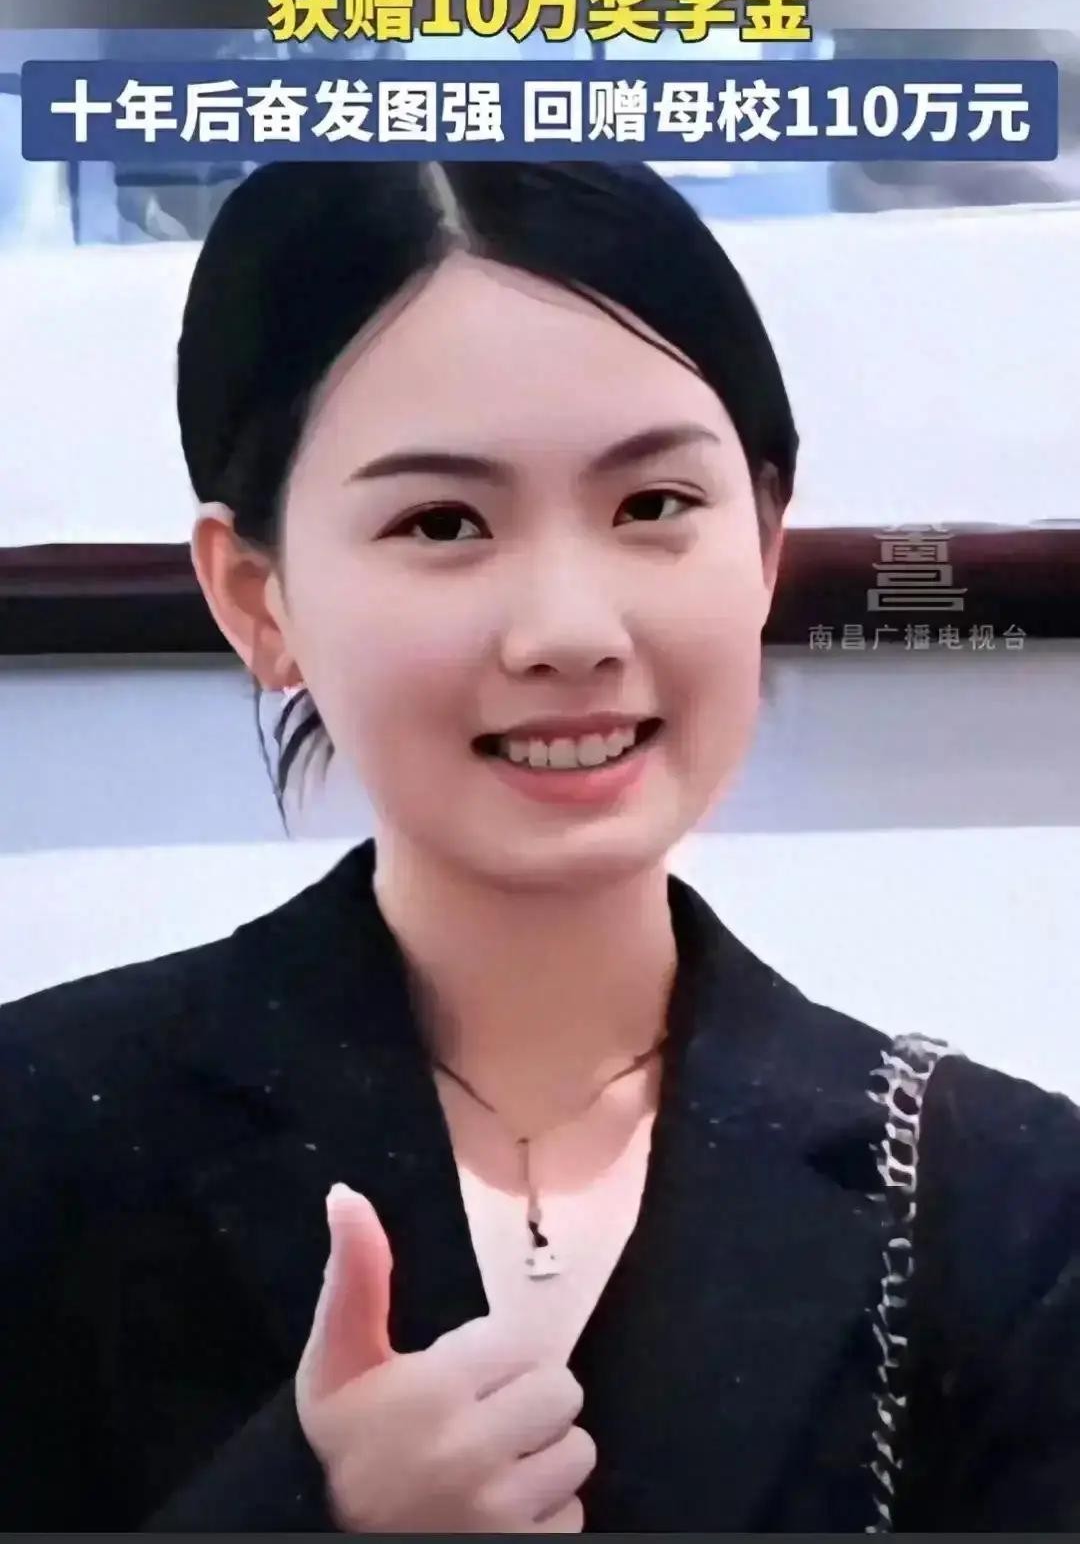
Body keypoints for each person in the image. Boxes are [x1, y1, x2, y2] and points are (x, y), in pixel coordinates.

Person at [2, 160, 1079, 1534]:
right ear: (257, 598)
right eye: (442, 523)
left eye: (653, 506)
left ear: (764, 543)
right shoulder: (44, 1136)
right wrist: (309, 1513)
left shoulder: (1001, 1210)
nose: (570, 629)